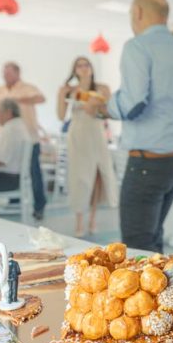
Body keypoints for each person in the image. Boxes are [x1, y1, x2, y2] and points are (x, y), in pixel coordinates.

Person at [90, 0, 173, 254]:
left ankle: (151, 294)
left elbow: (133, 103)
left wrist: (102, 109)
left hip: (148, 164)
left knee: (137, 246)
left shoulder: (137, 46)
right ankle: (162, 293)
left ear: (138, 13)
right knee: (153, 239)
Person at [0, 62, 47, 220]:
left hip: (28, 137)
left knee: (33, 174)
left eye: (8, 73)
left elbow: (40, 98)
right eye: (4, 73)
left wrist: (15, 99)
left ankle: (39, 207)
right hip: (8, 137)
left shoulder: (27, 87)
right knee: (13, 169)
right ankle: (14, 201)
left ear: (17, 73)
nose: (5, 76)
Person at [57, 56, 119, 237]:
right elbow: (61, 116)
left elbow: (109, 113)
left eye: (86, 65)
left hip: (97, 134)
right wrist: (62, 95)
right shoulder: (69, 91)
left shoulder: (102, 88)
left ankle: (92, 219)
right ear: (74, 70)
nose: (83, 68)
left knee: (98, 176)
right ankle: (79, 221)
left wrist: (94, 107)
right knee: (79, 177)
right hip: (77, 135)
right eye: (79, 66)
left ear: (91, 68)